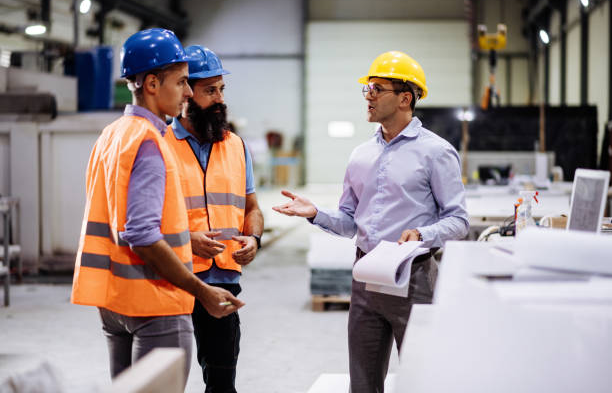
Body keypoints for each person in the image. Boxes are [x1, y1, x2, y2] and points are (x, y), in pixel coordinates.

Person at [273, 51, 468, 392]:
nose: (370, 96)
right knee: (362, 383)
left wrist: (424, 233)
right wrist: (315, 213)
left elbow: (459, 220)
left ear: (405, 98)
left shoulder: (436, 153)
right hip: (365, 276)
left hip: (414, 276)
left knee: (423, 378)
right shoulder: (361, 154)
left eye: (378, 88)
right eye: (367, 89)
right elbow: (350, 221)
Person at [70, 29, 244, 384]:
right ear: (152, 83)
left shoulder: (113, 134)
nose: (186, 93)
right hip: (155, 300)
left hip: (114, 301)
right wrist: (202, 291)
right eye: (181, 82)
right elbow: (141, 235)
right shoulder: (150, 140)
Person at [165, 44, 264, 393]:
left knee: (222, 381)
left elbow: (252, 208)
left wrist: (254, 239)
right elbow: (142, 222)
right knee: (163, 379)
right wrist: (187, 239)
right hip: (171, 277)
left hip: (223, 279)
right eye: (210, 91)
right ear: (186, 93)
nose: (220, 98)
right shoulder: (159, 144)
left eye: (222, 89)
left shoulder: (235, 145)